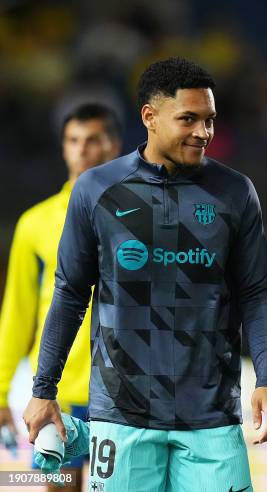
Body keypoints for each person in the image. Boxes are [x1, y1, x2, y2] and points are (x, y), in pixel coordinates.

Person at [22, 57, 267, 492]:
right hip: (121, 419)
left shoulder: (236, 192)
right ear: (150, 117)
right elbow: (69, 295)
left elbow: (256, 292)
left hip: (211, 418)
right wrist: (43, 388)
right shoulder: (96, 190)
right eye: (189, 119)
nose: (204, 132)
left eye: (210, 120)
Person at [0, 103, 122, 492]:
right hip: (59, 392)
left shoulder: (139, 215)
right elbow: (17, 312)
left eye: (93, 140)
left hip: (123, 392)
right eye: (73, 141)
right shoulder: (35, 224)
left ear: (114, 145)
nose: (82, 150)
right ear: (63, 148)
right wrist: (0, 390)